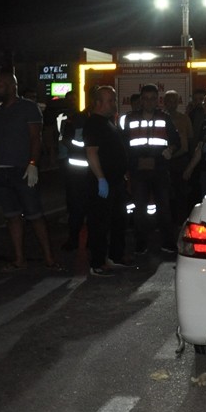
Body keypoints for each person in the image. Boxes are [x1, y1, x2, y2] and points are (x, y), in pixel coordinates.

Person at [0, 72, 61, 271]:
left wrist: (32, 164)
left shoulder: (28, 108)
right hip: (1, 171)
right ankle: (19, 259)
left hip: (22, 170)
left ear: (12, 85)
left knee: (34, 215)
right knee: (12, 216)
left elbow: (35, 138)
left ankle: (49, 258)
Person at [119, 83, 180, 256]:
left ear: (157, 100)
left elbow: (177, 141)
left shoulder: (164, 118)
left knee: (164, 207)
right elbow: (124, 144)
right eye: (146, 99)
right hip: (138, 170)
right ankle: (141, 243)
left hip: (159, 169)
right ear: (141, 100)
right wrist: (127, 166)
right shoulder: (130, 119)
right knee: (140, 209)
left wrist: (171, 150)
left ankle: (167, 242)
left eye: (153, 99)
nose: (149, 102)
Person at [82, 85, 128, 277]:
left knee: (117, 220)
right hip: (103, 183)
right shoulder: (94, 123)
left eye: (114, 99)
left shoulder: (108, 122)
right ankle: (97, 263)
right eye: (110, 100)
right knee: (99, 223)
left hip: (115, 181)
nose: (114, 103)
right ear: (99, 102)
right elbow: (91, 153)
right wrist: (101, 178)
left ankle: (113, 257)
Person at [58, 90, 90, 252]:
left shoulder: (92, 119)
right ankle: (75, 239)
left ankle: (79, 240)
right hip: (79, 172)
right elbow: (66, 140)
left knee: (83, 208)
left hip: (85, 172)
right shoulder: (77, 118)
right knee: (78, 209)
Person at [162, 88, 194, 228]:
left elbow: (190, 140)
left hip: (181, 161)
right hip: (163, 161)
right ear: (164, 102)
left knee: (181, 194)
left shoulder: (184, 118)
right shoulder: (160, 118)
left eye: (174, 101)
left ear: (178, 102)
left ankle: (181, 222)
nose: (171, 103)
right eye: (168, 101)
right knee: (165, 195)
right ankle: (166, 223)